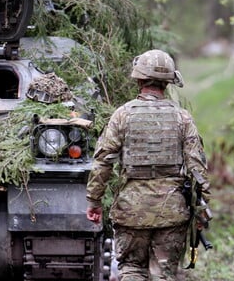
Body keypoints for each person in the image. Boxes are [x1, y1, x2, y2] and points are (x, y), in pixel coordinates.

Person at [86, 49, 210, 281]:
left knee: (132, 269)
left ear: (139, 78)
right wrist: (201, 211)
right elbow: (198, 169)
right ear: (168, 82)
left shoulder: (122, 115)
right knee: (163, 275)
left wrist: (94, 201)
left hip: (131, 211)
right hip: (172, 213)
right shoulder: (182, 118)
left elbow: (103, 162)